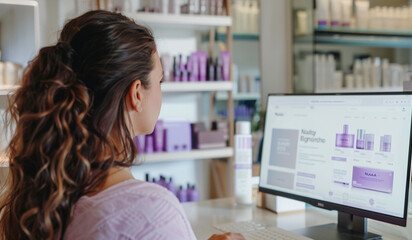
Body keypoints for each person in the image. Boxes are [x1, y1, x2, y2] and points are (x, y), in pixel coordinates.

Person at [0, 10, 244, 240]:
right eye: (160, 80)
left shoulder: (45, 195)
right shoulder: (151, 211)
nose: (161, 90)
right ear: (136, 93)